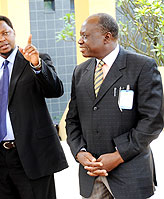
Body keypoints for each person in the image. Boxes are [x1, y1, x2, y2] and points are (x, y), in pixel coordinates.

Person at [66, 13, 163, 199]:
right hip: (91, 176)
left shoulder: (142, 66)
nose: (80, 41)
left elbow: (152, 122)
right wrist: (80, 153)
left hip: (130, 175)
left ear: (107, 37)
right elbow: (72, 120)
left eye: (85, 36)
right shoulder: (80, 72)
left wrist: (118, 156)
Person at [0, 15, 68, 199]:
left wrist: (36, 64)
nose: (1, 39)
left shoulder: (35, 60)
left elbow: (55, 90)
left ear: (13, 33)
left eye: (5, 33)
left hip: (32, 157)